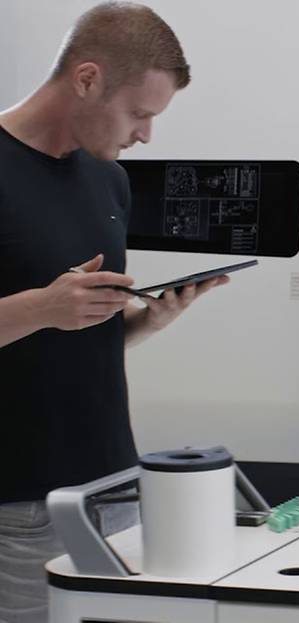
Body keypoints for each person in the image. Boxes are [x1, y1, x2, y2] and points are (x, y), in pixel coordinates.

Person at [0, 3, 225, 621]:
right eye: (139, 113)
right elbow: (44, 317)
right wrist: (40, 306)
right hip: (19, 501)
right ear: (87, 78)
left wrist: (146, 321)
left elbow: (65, 339)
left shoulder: (109, 181)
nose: (146, 135)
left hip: (113, 484)